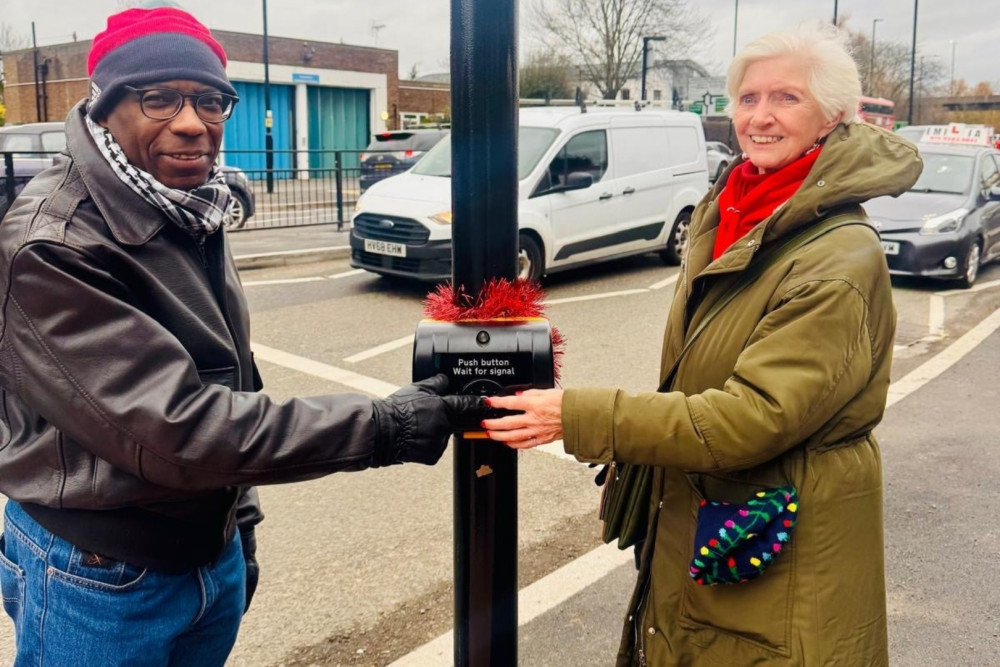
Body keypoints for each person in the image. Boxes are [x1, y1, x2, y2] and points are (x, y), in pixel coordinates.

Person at [0, 7, 481, 666]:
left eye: (211, 101)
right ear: (105, 107)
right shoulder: (53, 246)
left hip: (205, 550)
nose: (193, 122)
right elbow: (176, 428)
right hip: (101, 576)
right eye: (159, 98)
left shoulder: (189, 206)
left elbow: (231, 374)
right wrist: (384, 427)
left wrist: (239, 525)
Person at [484, 25, 922, 666]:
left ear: (833, 117)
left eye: (785, 99)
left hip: (782, 546)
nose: (760, 117)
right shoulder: (737, 210)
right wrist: (642, 465)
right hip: (719, 514)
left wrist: (580, 416)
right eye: (747, 98)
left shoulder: (836, 257)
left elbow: (754, 417)